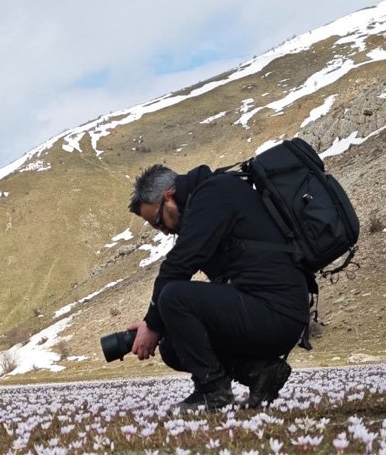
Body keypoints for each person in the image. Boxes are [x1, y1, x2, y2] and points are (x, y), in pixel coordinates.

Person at [126, 162, 309, 410]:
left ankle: (212, 391)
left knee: (173, 297)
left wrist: (151, 324)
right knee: (171, 345)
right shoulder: (206, 198)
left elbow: (178, 266)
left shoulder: (213, 194)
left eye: (159, 221)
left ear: (169, 196)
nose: (164, 232)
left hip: (277, 312)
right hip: (262, 309)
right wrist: (155, 326)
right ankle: (262, 372)